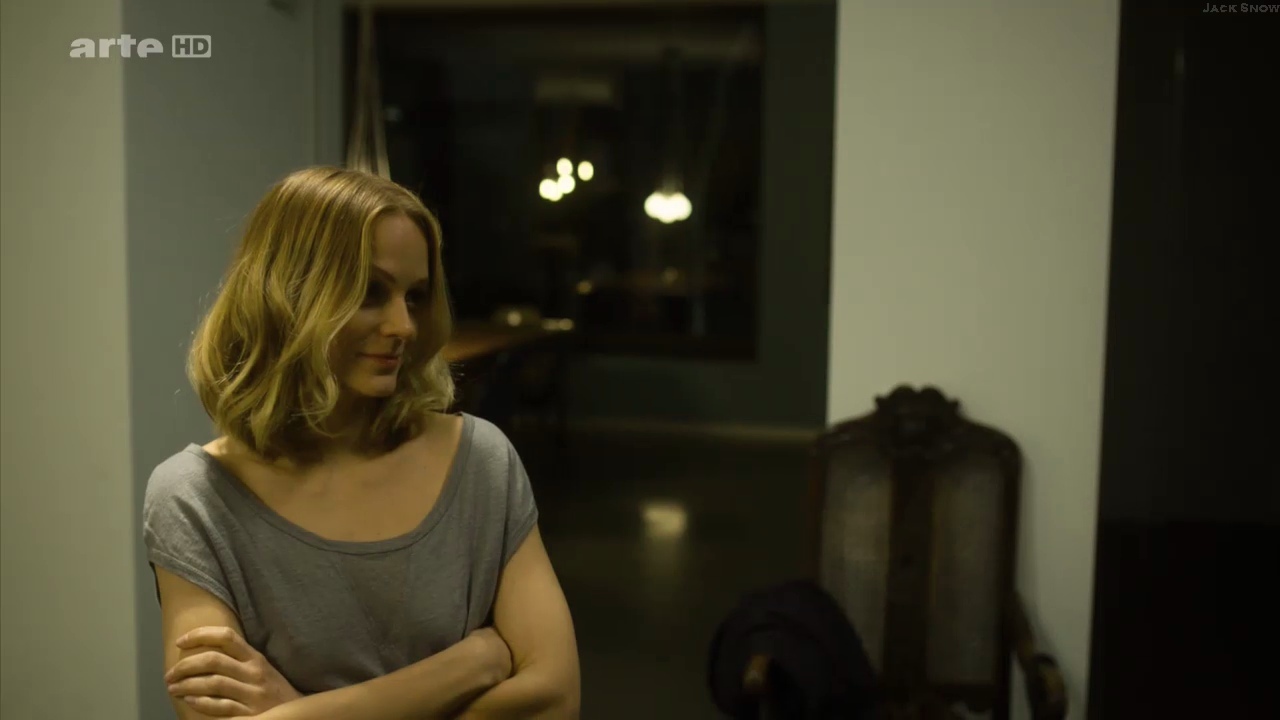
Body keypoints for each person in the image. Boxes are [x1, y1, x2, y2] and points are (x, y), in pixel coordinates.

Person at [142, 166, 580, 720]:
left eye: (415, 297)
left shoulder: (479, 460)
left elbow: (555, 700)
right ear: (286, 296)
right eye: (370, 292)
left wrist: (302, 712)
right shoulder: (192, 498)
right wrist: (470, 664)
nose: (404, 326)